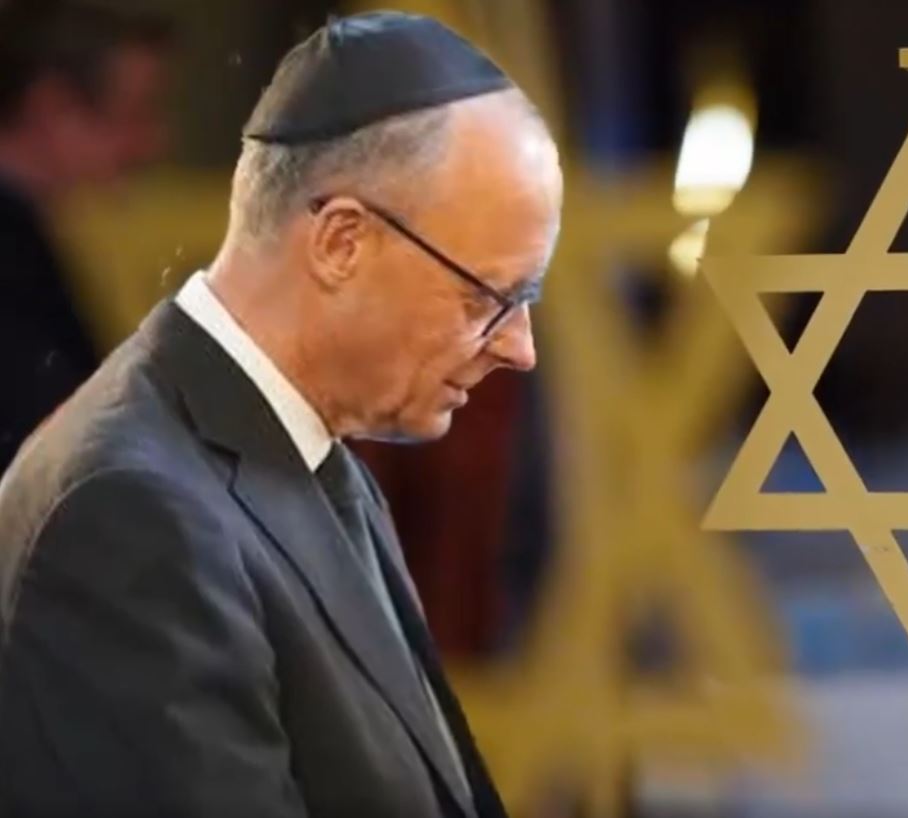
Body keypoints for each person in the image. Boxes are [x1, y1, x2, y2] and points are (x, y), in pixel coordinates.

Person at [0, 11, 561, 818]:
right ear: (341, 243)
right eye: (486, 298)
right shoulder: (134, 513)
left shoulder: (294, 450)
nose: (519, 348)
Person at [0, 0, 171, 471]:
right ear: (51, 107)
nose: (152, 143)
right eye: (133, 114)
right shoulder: (12, 258)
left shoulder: (26, 237)